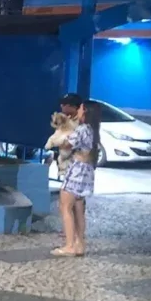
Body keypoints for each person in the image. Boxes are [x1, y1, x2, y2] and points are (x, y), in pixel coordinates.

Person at [54, 99, 101, 257]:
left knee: (65, 207)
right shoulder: (94, 130)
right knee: (79, 208)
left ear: (85, 112)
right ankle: (79, 244)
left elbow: (66, 144)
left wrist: (62, 135)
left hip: (76, 170)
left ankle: (69, 246)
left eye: (80, 109)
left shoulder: (82, 129)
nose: (78, 112)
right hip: (87, 171)